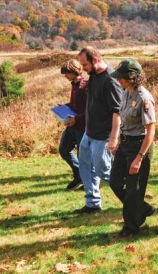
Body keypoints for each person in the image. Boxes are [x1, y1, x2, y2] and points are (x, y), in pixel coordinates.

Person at [108, 58, 156, 237]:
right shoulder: (125, 92)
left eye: (122, 77)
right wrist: (118, 141)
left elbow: (150, 131)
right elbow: (123, 119)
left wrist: (139, 158)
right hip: (125, 143)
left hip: (139, 146)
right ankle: (143, 209)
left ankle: (131, 228)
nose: (118, 80)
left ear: (132, 77)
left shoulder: (144, 98)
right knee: (114, 182)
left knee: (132, 191)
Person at [74, 46, 123, 214]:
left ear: (95, 60)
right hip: (89, 132)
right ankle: (93, 203)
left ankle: (131, 197)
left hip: (103, 135)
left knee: (104, 170)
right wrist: (87, 86)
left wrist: (113, 138)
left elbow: (117, 111)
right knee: (85, 167)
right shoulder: (94, 76)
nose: (83, 69)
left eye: (85, 65)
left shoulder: (110, 79)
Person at [58, 59, 87, 190]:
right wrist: (64, 107)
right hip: (72, 125)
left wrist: (78, 118)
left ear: (74, 71)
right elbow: (75, 105)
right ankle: (79, 175)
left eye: (67, 73)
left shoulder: (84, 85)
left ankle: (88, 181)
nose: (65, 76)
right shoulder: (74, 85)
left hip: (82, 126)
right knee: (64, 150)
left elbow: (90, 109)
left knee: (83, 156)